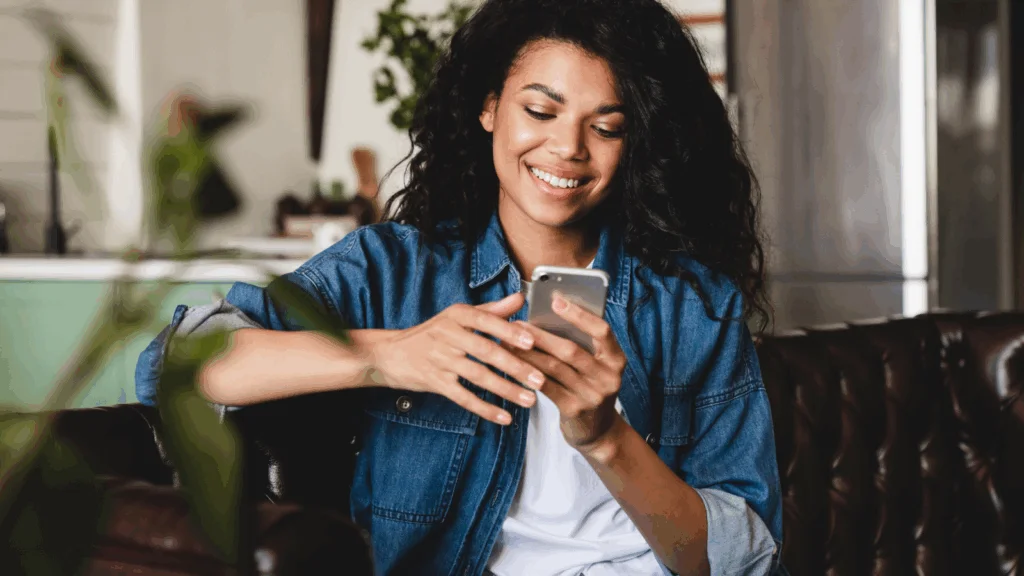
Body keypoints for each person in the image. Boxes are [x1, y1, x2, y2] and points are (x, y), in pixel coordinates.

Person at [135, 0, 784, 574]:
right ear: (489, 107)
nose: (568, 148)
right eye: (540, 110)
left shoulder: (692, 304)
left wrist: (606, 437)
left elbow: (735, 558)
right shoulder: (392, 272)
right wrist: (388, 354)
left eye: (606, 127)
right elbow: (179, 363)